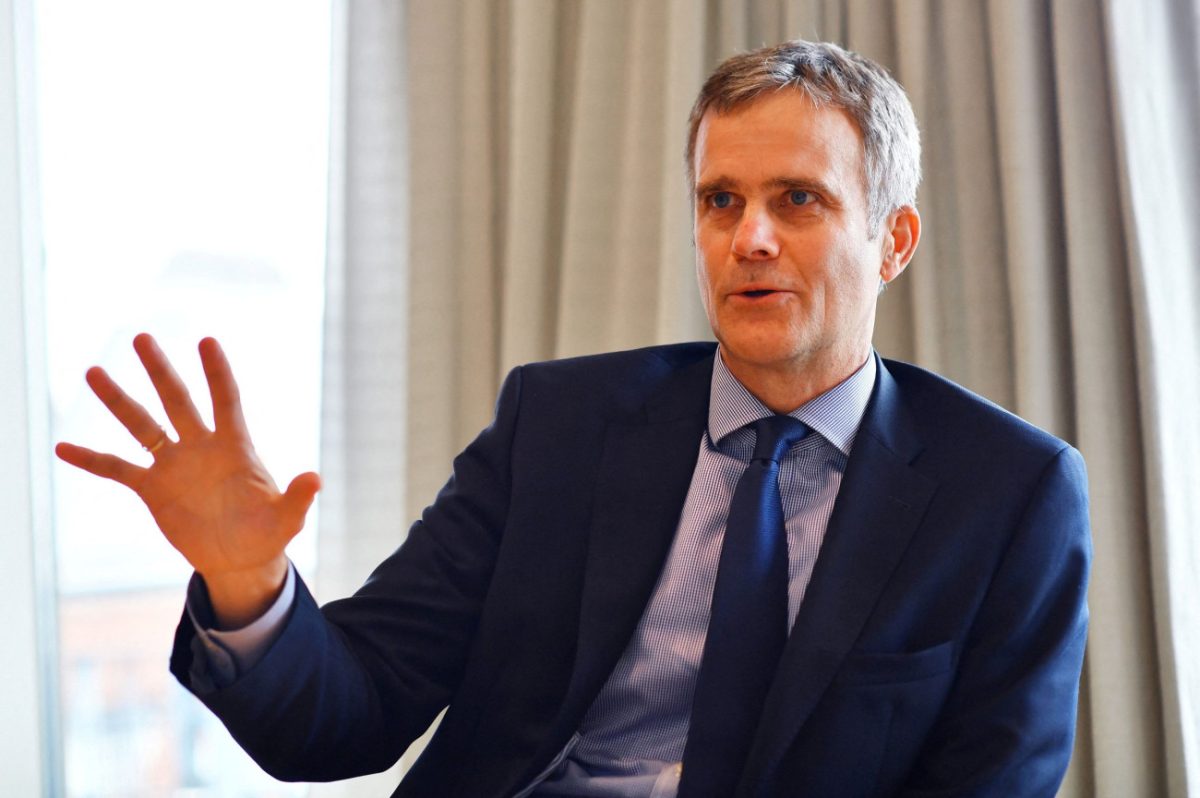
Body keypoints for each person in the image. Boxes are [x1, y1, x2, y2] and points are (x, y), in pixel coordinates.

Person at [57, 40, 1091, 798]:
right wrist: (248, 583)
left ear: (894, 239)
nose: (749, 239)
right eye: (720, 201)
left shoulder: (1009, 494)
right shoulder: (558, 426)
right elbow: (349, 714)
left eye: (798, 201)